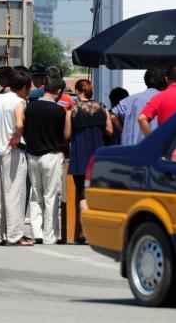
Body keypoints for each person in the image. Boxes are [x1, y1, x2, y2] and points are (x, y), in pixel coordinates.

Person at [0, 67, 34, 246]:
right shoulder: (19, 102)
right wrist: (16, 137)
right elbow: (19, 123)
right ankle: (14, 235)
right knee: (14, 195)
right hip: (13, 152)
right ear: (25, 87)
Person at [64, 78, 113, 243]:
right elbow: (109, 130)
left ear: (77, 92)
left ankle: (85, 232)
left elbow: (67, 135)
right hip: (98, 156)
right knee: (98, 194)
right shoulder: (102, 108)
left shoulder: (73, 110)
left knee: (83, 195)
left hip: (80, 156)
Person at [24, 73, 68, 245]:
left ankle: (37, 233)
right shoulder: (59, 111)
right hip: (52, 155)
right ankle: (50, 235)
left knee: (36, 196)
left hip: (32, 155)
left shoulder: (30, 108)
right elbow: (64, 135)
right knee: (51, 197)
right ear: (58, 91)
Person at [111, 68, 165, 146]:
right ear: (164, 81)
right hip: (157, 146)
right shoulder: (166, 98)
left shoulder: (131, 99)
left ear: (145, 81)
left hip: (131, 146)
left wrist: (124, 130)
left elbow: (113, 115)